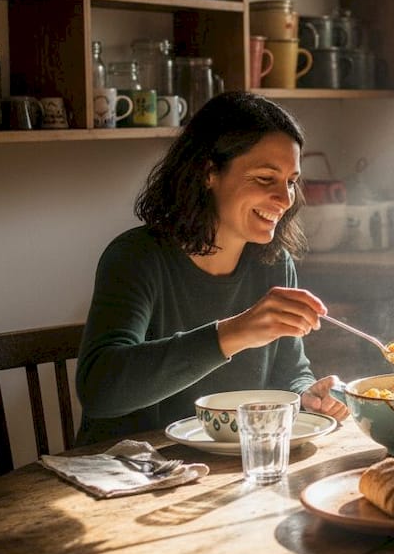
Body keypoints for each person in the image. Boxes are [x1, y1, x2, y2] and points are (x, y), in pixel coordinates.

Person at [76, 91, 349, 446]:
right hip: (131, 474)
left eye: (291, 181)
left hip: (228, 473)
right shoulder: (136, 257)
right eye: (266, 178)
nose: (284, 199)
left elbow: (290, 373)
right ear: (209, 172)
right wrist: (234, 332)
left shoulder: (273, 262)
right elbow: (100, 390)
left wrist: (307, 396)